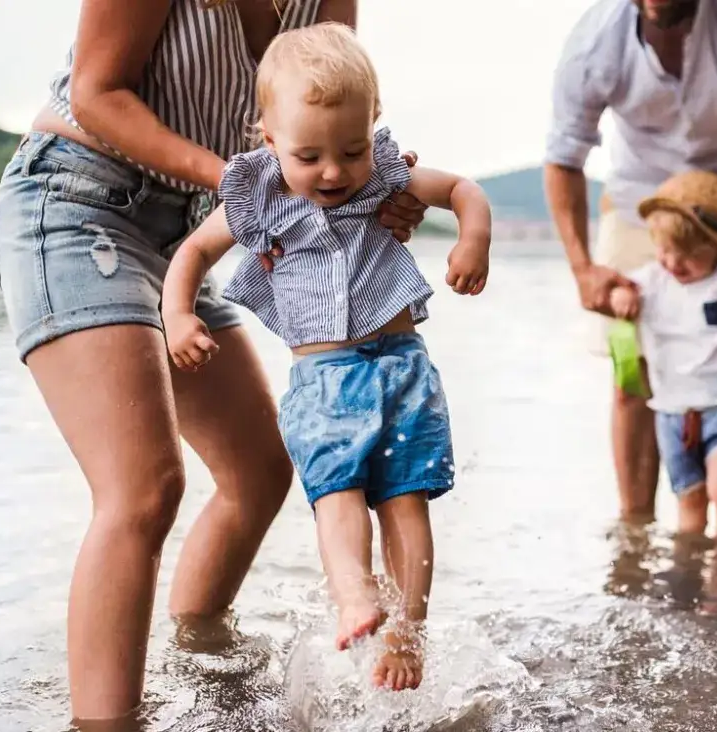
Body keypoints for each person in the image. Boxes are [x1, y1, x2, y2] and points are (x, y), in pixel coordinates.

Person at [0, 0, 427, 722]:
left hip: (188, 227)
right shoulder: (250, 189)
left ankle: (197, 653)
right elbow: (96, 93)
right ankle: (104, 722)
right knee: (143, 489)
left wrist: (368, 191)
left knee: (258, 470)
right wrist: (255, 189)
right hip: (77, 202)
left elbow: (329, 108)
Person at [161, 23, 493, 691]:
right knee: (336, 493)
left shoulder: (385, 176)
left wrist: (473, 240)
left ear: (374, 123)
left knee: (406, 501)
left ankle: (407, 635)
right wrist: (177, 314)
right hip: (324, 378)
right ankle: (353, 596)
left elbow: (463, 190)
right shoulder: (259, 197)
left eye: (351, 149)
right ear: (270, 140)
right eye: (309, 155)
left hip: (403, 365)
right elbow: (193, 252)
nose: (335, 171)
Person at [543, 0, 717, 545]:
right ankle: (635, 543)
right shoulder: (592, 46)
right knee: (629, 364)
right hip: (641, 200)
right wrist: (583, 269)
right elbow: (563, 158)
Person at [606, 170, 717, 540]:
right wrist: (622, 297)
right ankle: (690, 568)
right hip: (671, 416)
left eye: (689, 256)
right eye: (665, 251)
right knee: (690, 501)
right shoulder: (652, 280)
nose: (674, 263)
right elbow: (618, 290)